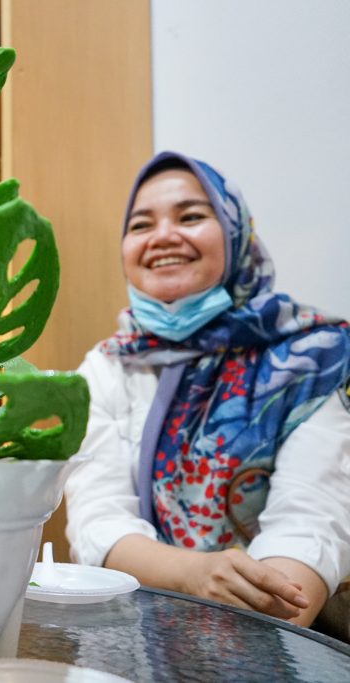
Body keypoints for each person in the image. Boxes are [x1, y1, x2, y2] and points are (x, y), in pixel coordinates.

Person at [65, 151, 350, 631]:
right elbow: (99, 520)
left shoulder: (317, 356)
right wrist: (195, 574)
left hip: (284, 639)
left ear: (236, 234)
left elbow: (313, 523)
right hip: (138, 633)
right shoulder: (109, 365)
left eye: (191, 216)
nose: (162, 236)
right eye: (140, 225)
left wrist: (273, 601)